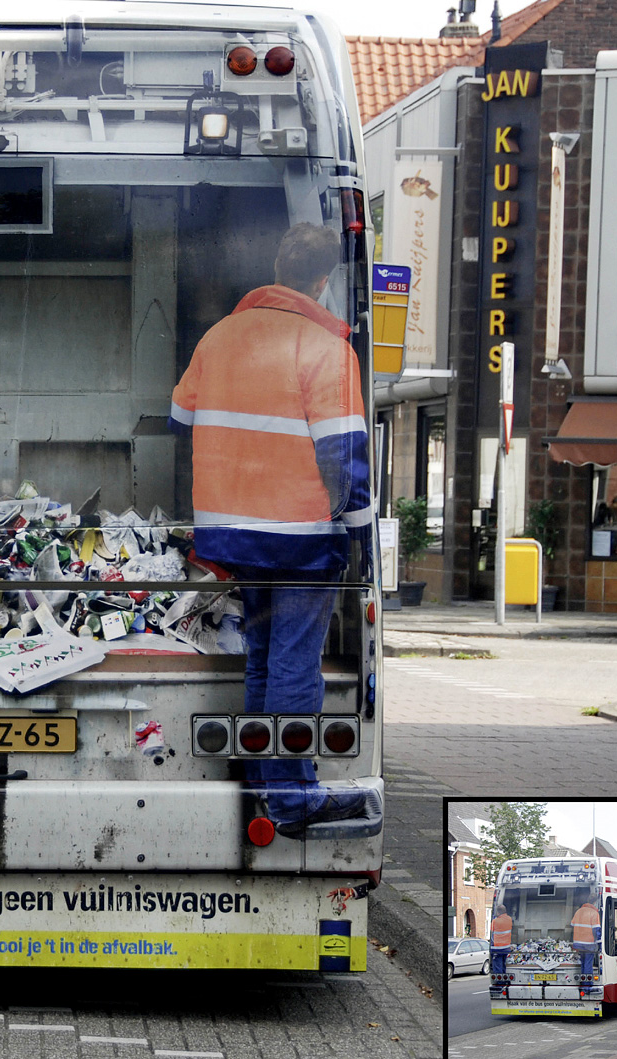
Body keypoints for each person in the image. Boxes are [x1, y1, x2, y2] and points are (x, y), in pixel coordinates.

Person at [171, 222, 375, 837]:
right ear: (322, 279)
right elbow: (345, 457)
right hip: (299, 538)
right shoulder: (324, 348)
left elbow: (181, 413)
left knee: (261, 660)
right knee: (294, 667)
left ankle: (267, 781)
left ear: (278, 268)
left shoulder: (220, 335)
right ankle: (291, 799)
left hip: (232, 533)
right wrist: (362, 535)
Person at [571, 898, 602, 993]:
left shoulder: (578, 911)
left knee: (583, 963)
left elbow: (572, 925)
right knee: (588, 964)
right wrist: (599, 943)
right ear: (594, 902)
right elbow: (596, 931)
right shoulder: (594, 913)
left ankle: (583, 984)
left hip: (578, 943)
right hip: (588, 944)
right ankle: (587, 986)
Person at [490, 902, 512, 977]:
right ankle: (504, 980)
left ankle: (500, 984)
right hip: (506, 948)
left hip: (497, 948)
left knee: (497, 967)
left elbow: (492, 931)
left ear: (498, 912)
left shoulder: (495, 921)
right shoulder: (509, 919)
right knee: (503, 965)